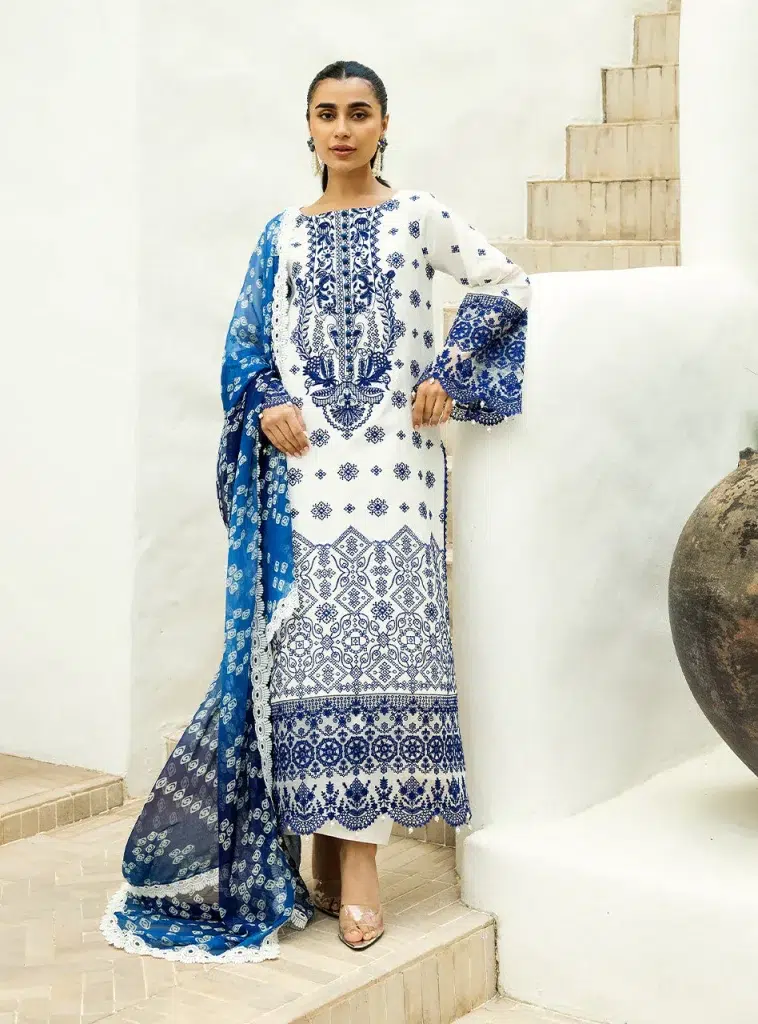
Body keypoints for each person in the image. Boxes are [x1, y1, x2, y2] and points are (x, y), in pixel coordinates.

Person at [101, 59, 530, 963]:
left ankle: (359, 867)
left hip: (399, 480)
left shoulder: (419, 215)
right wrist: (265, 401)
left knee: (382, 663)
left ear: (384, 125)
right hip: (306, 485)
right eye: (327, 113)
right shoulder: (283, 235)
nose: (342, 128)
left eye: (359, 113)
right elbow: (245, 346)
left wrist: (451, 370)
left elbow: (505, 284)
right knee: (310, 674)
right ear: (308, 126)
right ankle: (333, 858)